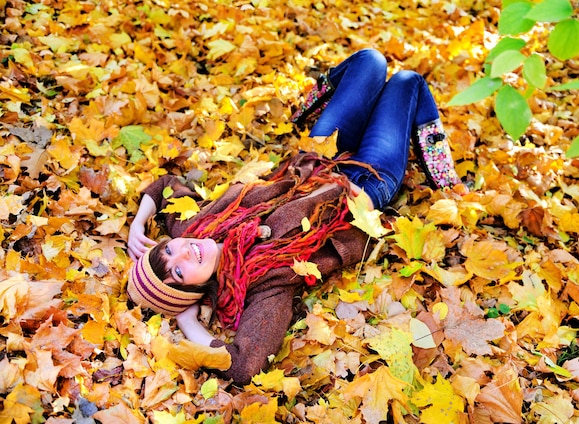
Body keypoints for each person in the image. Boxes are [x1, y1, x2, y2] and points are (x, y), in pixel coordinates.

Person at [126, 49, 462, 385]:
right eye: (180, 272)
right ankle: (442, 172)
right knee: (408, 81)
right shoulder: (262, 284)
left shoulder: (196, 224)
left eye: (168, 250)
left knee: (370, 60)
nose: (185, 252)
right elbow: (244, 365)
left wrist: (138, 224)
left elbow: (166, 185)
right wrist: (188, 323)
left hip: (322, 154)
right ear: (197, 288)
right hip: (363, 185)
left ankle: (310, 108)